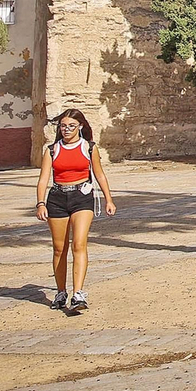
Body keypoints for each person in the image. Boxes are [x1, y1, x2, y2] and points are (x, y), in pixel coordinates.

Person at [34, 109, 117, 313]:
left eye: (71, 126)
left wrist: (109, 199)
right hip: (57, 198)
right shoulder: (52, 150)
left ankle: (78, 292)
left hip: (82, 197)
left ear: (80, 126)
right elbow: (43, 179)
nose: (66, 130)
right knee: (59, 248)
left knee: (79, 244)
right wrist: (40, 203)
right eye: (63, 126)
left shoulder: (89, 148)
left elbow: (100, 174)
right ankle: (61, 291)